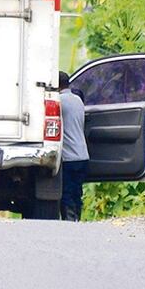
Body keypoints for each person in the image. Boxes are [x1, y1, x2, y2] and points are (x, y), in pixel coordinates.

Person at [58, 70, 89, 222]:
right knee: (77, 192)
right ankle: (77, 220)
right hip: (83, 155)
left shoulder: (59, 101)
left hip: (68, 157)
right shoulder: (78, 100)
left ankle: (70, 222)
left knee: (67, 192)